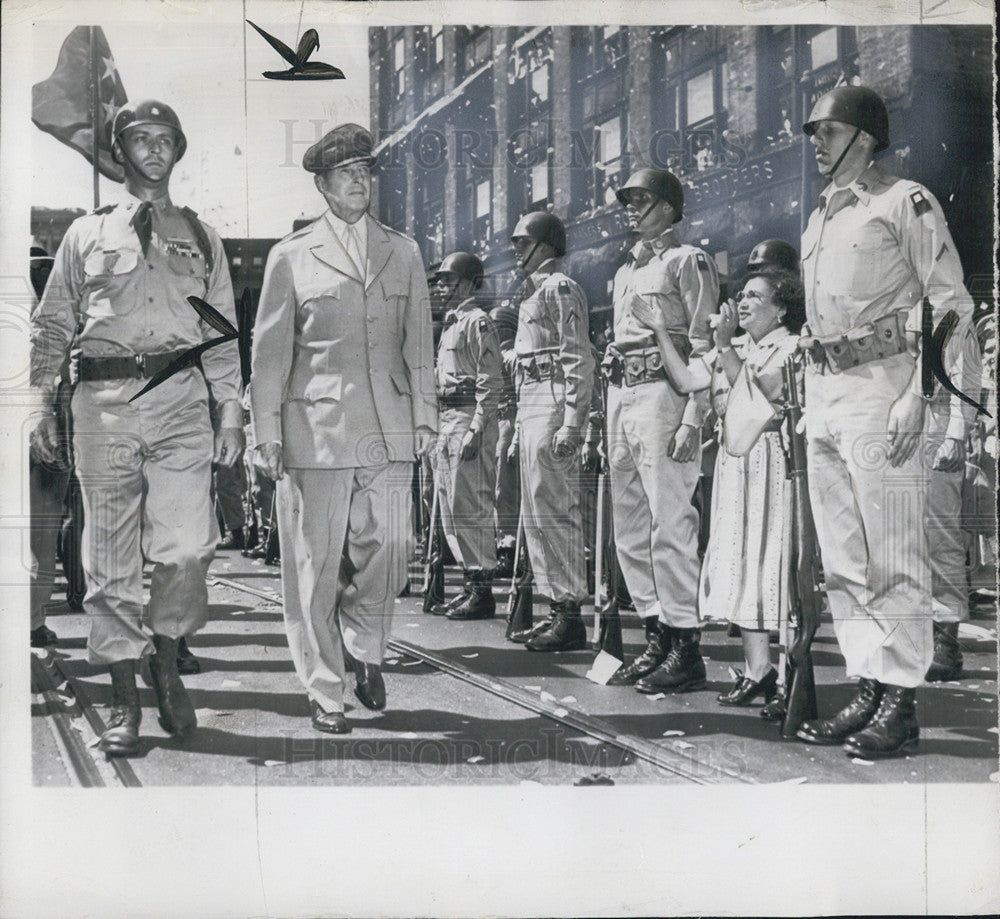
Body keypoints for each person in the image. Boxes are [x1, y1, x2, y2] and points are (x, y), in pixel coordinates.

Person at [29, 100, 244, 755]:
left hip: (180, 396)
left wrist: (230, 405)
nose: (153, 149)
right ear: (121, 152)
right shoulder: (84, 235)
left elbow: (223, 331)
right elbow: (52, 326)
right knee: (108, 561)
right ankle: (125, 699)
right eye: (140, 139)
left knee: (187, 546)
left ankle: (167, 648)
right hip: (104, 398)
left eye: (164, 139)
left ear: (178, 150)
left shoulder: (202, 237)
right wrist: (41, 402)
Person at [793, 85, 974, 758]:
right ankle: (867, 681)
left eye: (828, 129)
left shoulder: (905, 201)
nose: (816, 141)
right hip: (829, 389)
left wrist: (919, 393)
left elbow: (948, 301)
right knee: (843, 558)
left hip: (886, 386)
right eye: (814, 130)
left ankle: (900, 699)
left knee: (893, 551)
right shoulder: (820, 218)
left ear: (864, 137)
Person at [249, 123, 436, 734]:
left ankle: (363, 648)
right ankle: (326, 689)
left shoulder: (402, 250)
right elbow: (271, 352)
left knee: (391, 552)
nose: (361, 180)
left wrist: (426, 418)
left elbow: (420, 346)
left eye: (366, 170)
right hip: (316, 431)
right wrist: (266, 431)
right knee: (316, 564)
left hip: (389, 426)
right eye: (347, 173)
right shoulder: (291, 256)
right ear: (323, 186)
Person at [633, 269, 806, 708]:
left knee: (769, 563)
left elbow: (757, 397)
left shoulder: (790, 346)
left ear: (781, 307)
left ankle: (789, 678)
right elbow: (686, 380)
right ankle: (758, 671)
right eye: (742, 295)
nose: (743, 302)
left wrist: (725, 345)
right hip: (734, 464)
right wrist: (659, 330)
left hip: (771, 462)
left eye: (755, 296)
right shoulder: (741, 346)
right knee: (738, 563)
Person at [599, 169, 720, 693]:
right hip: (624, 394)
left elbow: (704, 344)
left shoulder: (687, 261)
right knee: (629, 524)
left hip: (665, 398)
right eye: (627, 200)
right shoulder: (627, 270)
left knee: (670, 521)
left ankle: (685, 642)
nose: (631, 208)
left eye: (642, 200)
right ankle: (656, 634)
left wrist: (695, 417)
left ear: (670, 207)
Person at [505, 211, 594, 652]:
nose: (516, 251)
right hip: (532, 397)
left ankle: (571, 612)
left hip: (553, 398)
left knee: (555, 506)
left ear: (546, 245)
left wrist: (574, 420)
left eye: (524, 242)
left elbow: (578, 354)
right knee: (537, 509)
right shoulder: (534, 292)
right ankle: (557, 606)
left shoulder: (560, 288)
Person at [427, 251, 503, 620]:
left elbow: (490, 381)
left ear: (470, 282)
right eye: (439, 281)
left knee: (470, 503)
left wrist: (477, 427)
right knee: (450, 506)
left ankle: (483, 586)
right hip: (446, 417)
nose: (441, 287)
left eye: (448, 280)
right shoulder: (451, 324)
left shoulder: (478, 323)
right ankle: (470, 581)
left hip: (467, 416)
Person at [490, 302, 520, 579]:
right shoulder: (496, 357)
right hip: (497, 420)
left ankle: (508, 547)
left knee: (505, 489)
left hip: (510, 419)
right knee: (496, 488)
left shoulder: (511, 357)